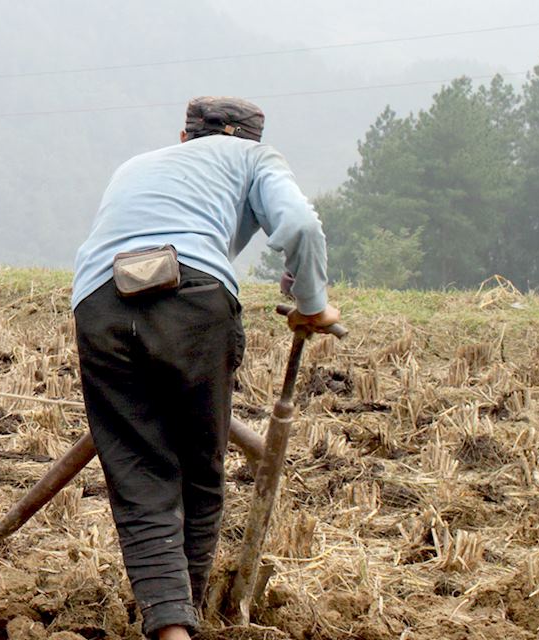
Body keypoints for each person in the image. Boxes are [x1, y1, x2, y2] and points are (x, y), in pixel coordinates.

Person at [67, 96, 340, 640]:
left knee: (139, 471)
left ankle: (172, 625)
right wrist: (311, 303)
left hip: (100, 302)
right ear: (250, 141)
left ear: (186, 137)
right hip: (193, 299)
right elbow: (301, 228)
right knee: (199, 464)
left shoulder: (138, 166)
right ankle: (191, 608)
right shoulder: (254, 161)